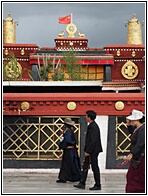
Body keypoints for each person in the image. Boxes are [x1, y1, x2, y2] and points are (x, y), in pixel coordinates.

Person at [74, 110, 103, 190]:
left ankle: (98, 184)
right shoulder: (91, 126)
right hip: (90, 150)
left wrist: (88, 151)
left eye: (86, 116)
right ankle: (82, 182)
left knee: (94, 167)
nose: (85, 117)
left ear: (89, 117)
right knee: (85, 166)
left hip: (93, 151)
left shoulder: (93, 127)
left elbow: (93, 140)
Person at [125, 109, 145, 193]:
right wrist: (128, 124)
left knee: (139, 178)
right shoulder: (138, 128)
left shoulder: (143, 129)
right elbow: (131, 131)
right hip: (137, 159)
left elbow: (140, 143)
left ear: (137, 119)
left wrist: (131, 154)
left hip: (141, 158)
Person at [56, 118, 81, 183]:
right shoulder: (69, 131)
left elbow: (67, 141)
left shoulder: (68, 132)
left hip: (69, 150)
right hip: (70, 150)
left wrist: (61, 145)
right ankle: (71, 177)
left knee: (68, 164)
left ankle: (66, 178)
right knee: (70, 164)